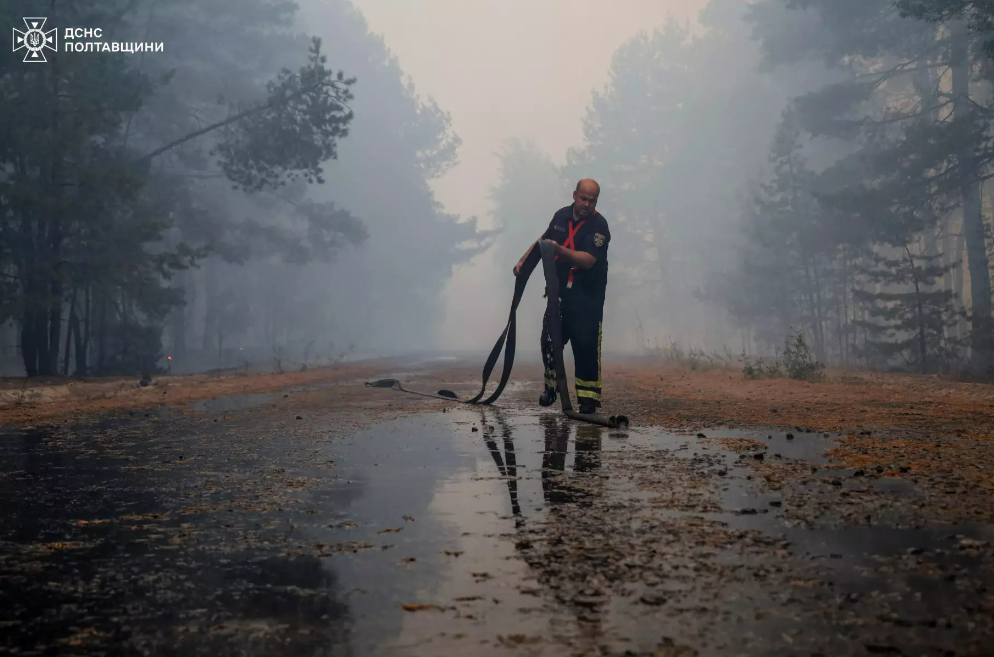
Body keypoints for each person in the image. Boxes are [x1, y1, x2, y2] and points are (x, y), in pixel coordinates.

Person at [513, 179, 611, 415]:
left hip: (587, 299)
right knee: (549, 341)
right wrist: (523, 264)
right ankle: (551, 388)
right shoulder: (560, 216)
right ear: (575, 194)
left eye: (592, 200)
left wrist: (559, 251)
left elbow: (588, 260)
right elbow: (543, 243)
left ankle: (588, 400)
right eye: (583, 198)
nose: (587, 204)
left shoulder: (599, 225)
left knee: (585, 346)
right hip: (559, 295)